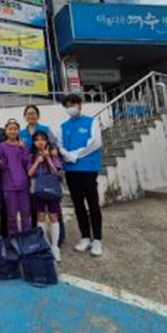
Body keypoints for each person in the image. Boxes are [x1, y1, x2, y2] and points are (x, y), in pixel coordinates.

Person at [59, 94, 104, 257]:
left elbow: (95, 143)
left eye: (72, 104)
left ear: (79, 105)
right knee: (78, 205)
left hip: (88, 169)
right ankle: (85, 237)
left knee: (93, 204)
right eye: (67, 106)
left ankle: (97, 239)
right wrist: (66, 155)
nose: (70, 108)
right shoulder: (63, 126)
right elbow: (60, 144)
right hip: (71, 171)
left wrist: (75, 154)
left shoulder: (91, 122)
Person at [28, 130, 63, 262]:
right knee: (40, 216)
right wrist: (38, 161)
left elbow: (57, 172)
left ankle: (55, 247)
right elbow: (29, 173)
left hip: (52, 189)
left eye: (42, 139)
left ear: (47, 141)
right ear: (33, 142)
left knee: (54, 217)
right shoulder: (31, 156)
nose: (40, 142)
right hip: (38, 190)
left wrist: (48, 159)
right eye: (37, 140)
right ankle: (44, 245)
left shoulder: (53, 155)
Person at [0, 119, 31, 236]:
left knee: (25, 213)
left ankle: (27, 237)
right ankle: (13, 238)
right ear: (6, 131)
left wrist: (23, 149)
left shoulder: (22, 145)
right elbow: (3, 166)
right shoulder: (1, 146)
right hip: (8, 184)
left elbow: (26, 162)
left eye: (15, 129)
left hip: (23, 183)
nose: (12, 131)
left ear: (18, 131)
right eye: (10, 129)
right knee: (11, 215)